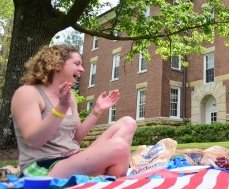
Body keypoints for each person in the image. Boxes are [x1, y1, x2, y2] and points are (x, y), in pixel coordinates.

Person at [11, 45, 137, 178]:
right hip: (43, 166)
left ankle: (107, 175)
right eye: (77, 64)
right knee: (119, 147)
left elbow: (76, 137)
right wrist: (61, 108)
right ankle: (111, 178)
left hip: (71, 159)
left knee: (128, 123)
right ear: (57, 64)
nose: (82, 70)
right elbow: (33, 141)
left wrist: (97, 111)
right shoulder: (27, 93)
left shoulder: (70, 98)